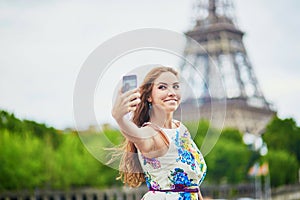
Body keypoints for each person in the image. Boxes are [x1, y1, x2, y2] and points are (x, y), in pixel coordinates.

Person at [112, 66, 207, 200]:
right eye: (162, 87)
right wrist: (119, 119)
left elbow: (193, 187)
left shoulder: (181, 129)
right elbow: (138, 136)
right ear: (149, 96)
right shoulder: (150, 133)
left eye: (175, 86)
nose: (172, 92)